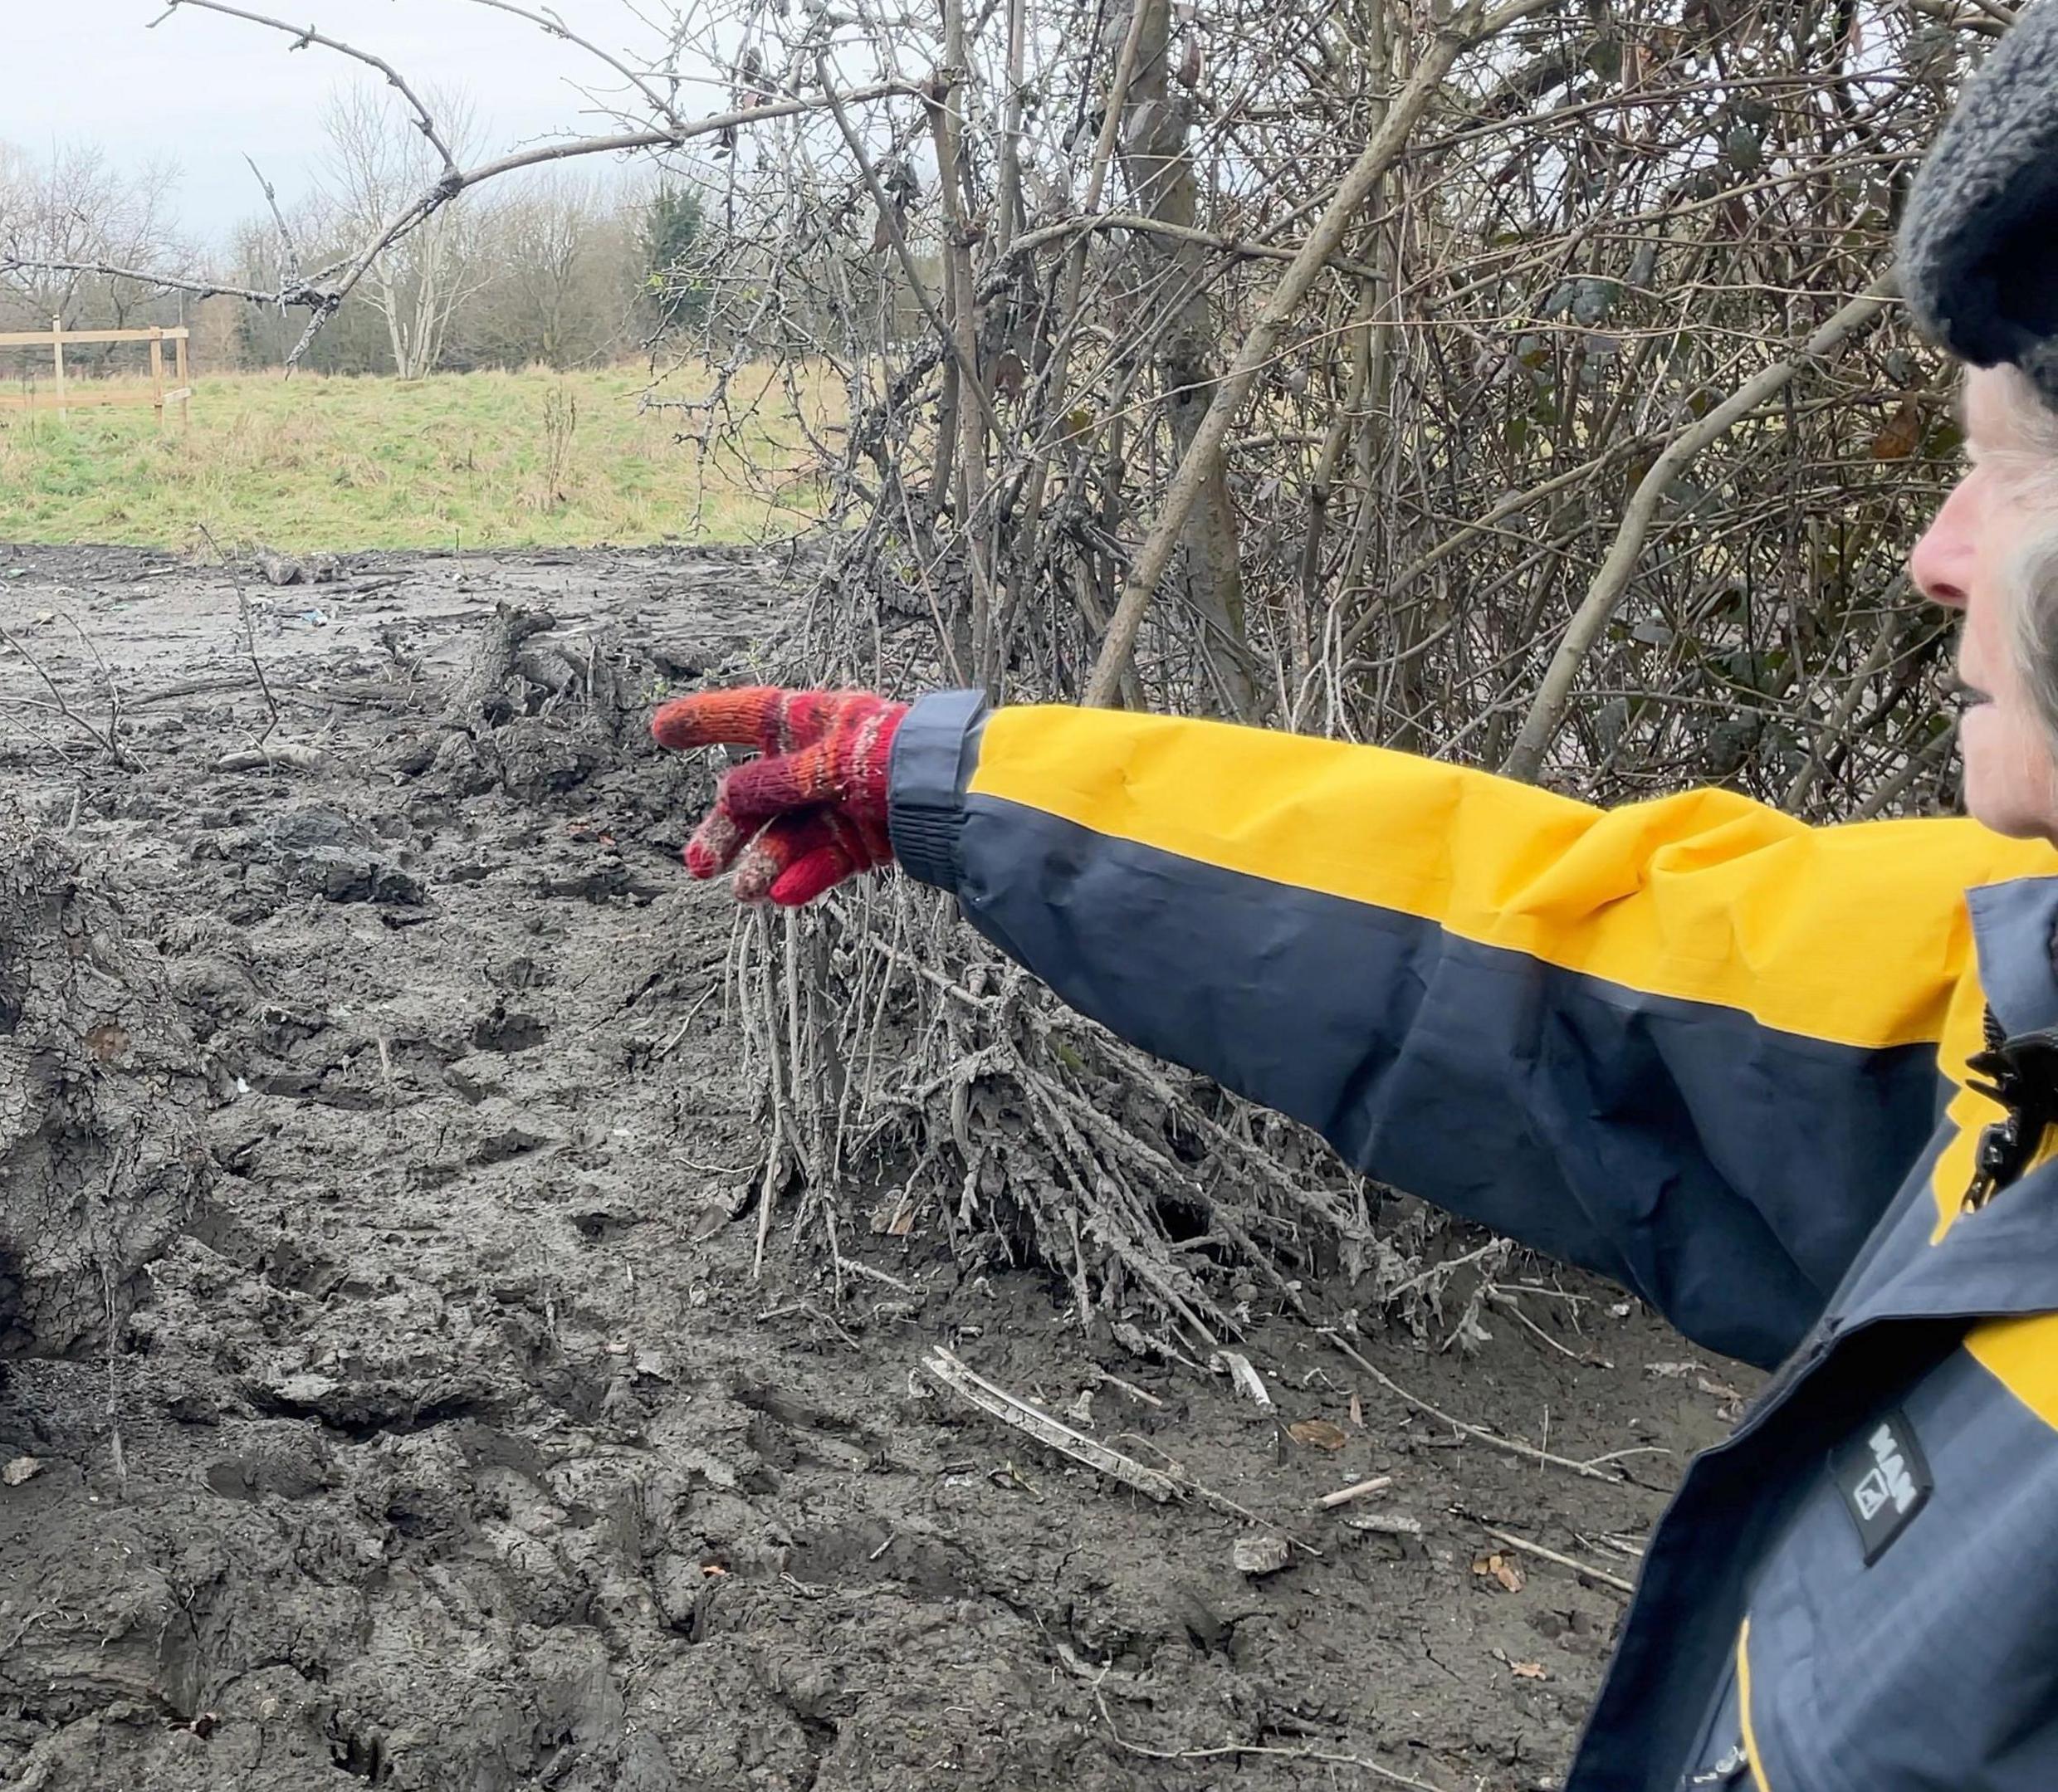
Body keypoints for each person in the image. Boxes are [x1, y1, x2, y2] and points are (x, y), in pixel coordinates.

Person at [653, 14, 2058, 1788]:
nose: (1935, 552)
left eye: (2012, 460)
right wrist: (959, 786)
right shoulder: (2014, 992)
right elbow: (1540, 952)